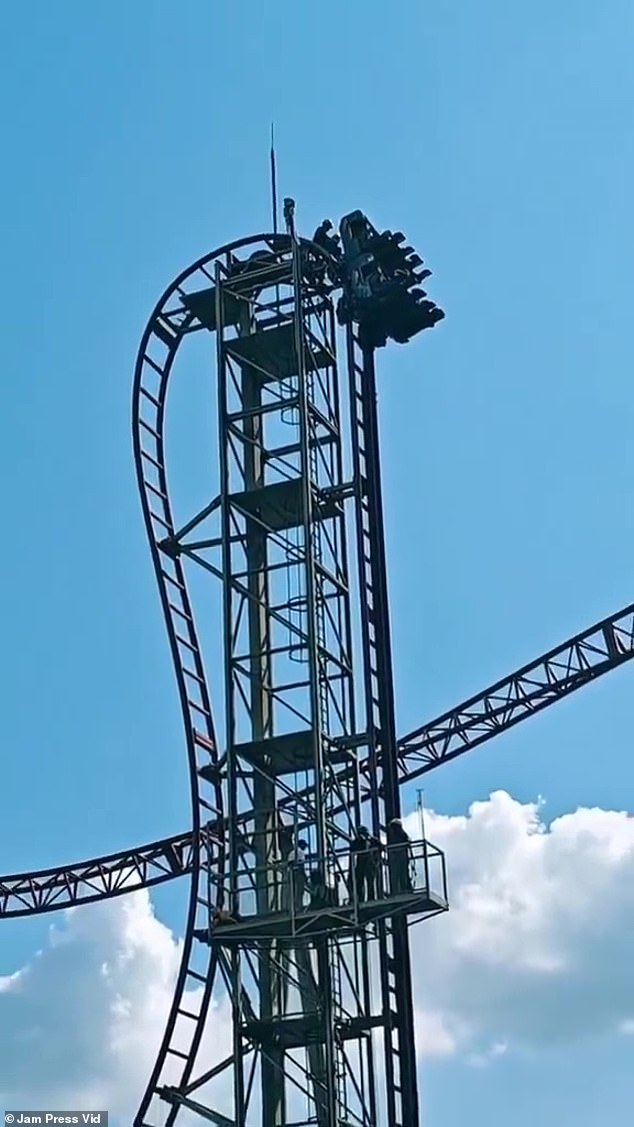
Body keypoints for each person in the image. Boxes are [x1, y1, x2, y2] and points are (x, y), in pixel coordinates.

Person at [349, 826, 381, 903]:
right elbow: (352, 851)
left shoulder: (372, 840)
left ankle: (370, 898)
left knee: (369, 881)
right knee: (360, 882)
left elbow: (381, 846)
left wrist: (377, 859)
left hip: (369, 863)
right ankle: (361, 898)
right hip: (362, 863)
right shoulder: (357, 841)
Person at [387, 818, 413, 894]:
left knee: (402, 874)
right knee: (400, 874)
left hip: (401, 858)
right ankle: (402, 889)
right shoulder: (398, 835)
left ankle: (404, 889)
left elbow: (407, 843)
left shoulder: (401, 835)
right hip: (398, 858)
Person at [287, 837, 309, 912]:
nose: (305, 848)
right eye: (305, 846)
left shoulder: (291, 853)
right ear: (301, 845)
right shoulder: (301, 852)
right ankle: (299, 908)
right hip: (298, 873)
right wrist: (305, 876)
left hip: (291, 873)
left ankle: (292, 908)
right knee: (300, 891)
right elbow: (301, 865)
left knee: (292, 892)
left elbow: (289, 864)